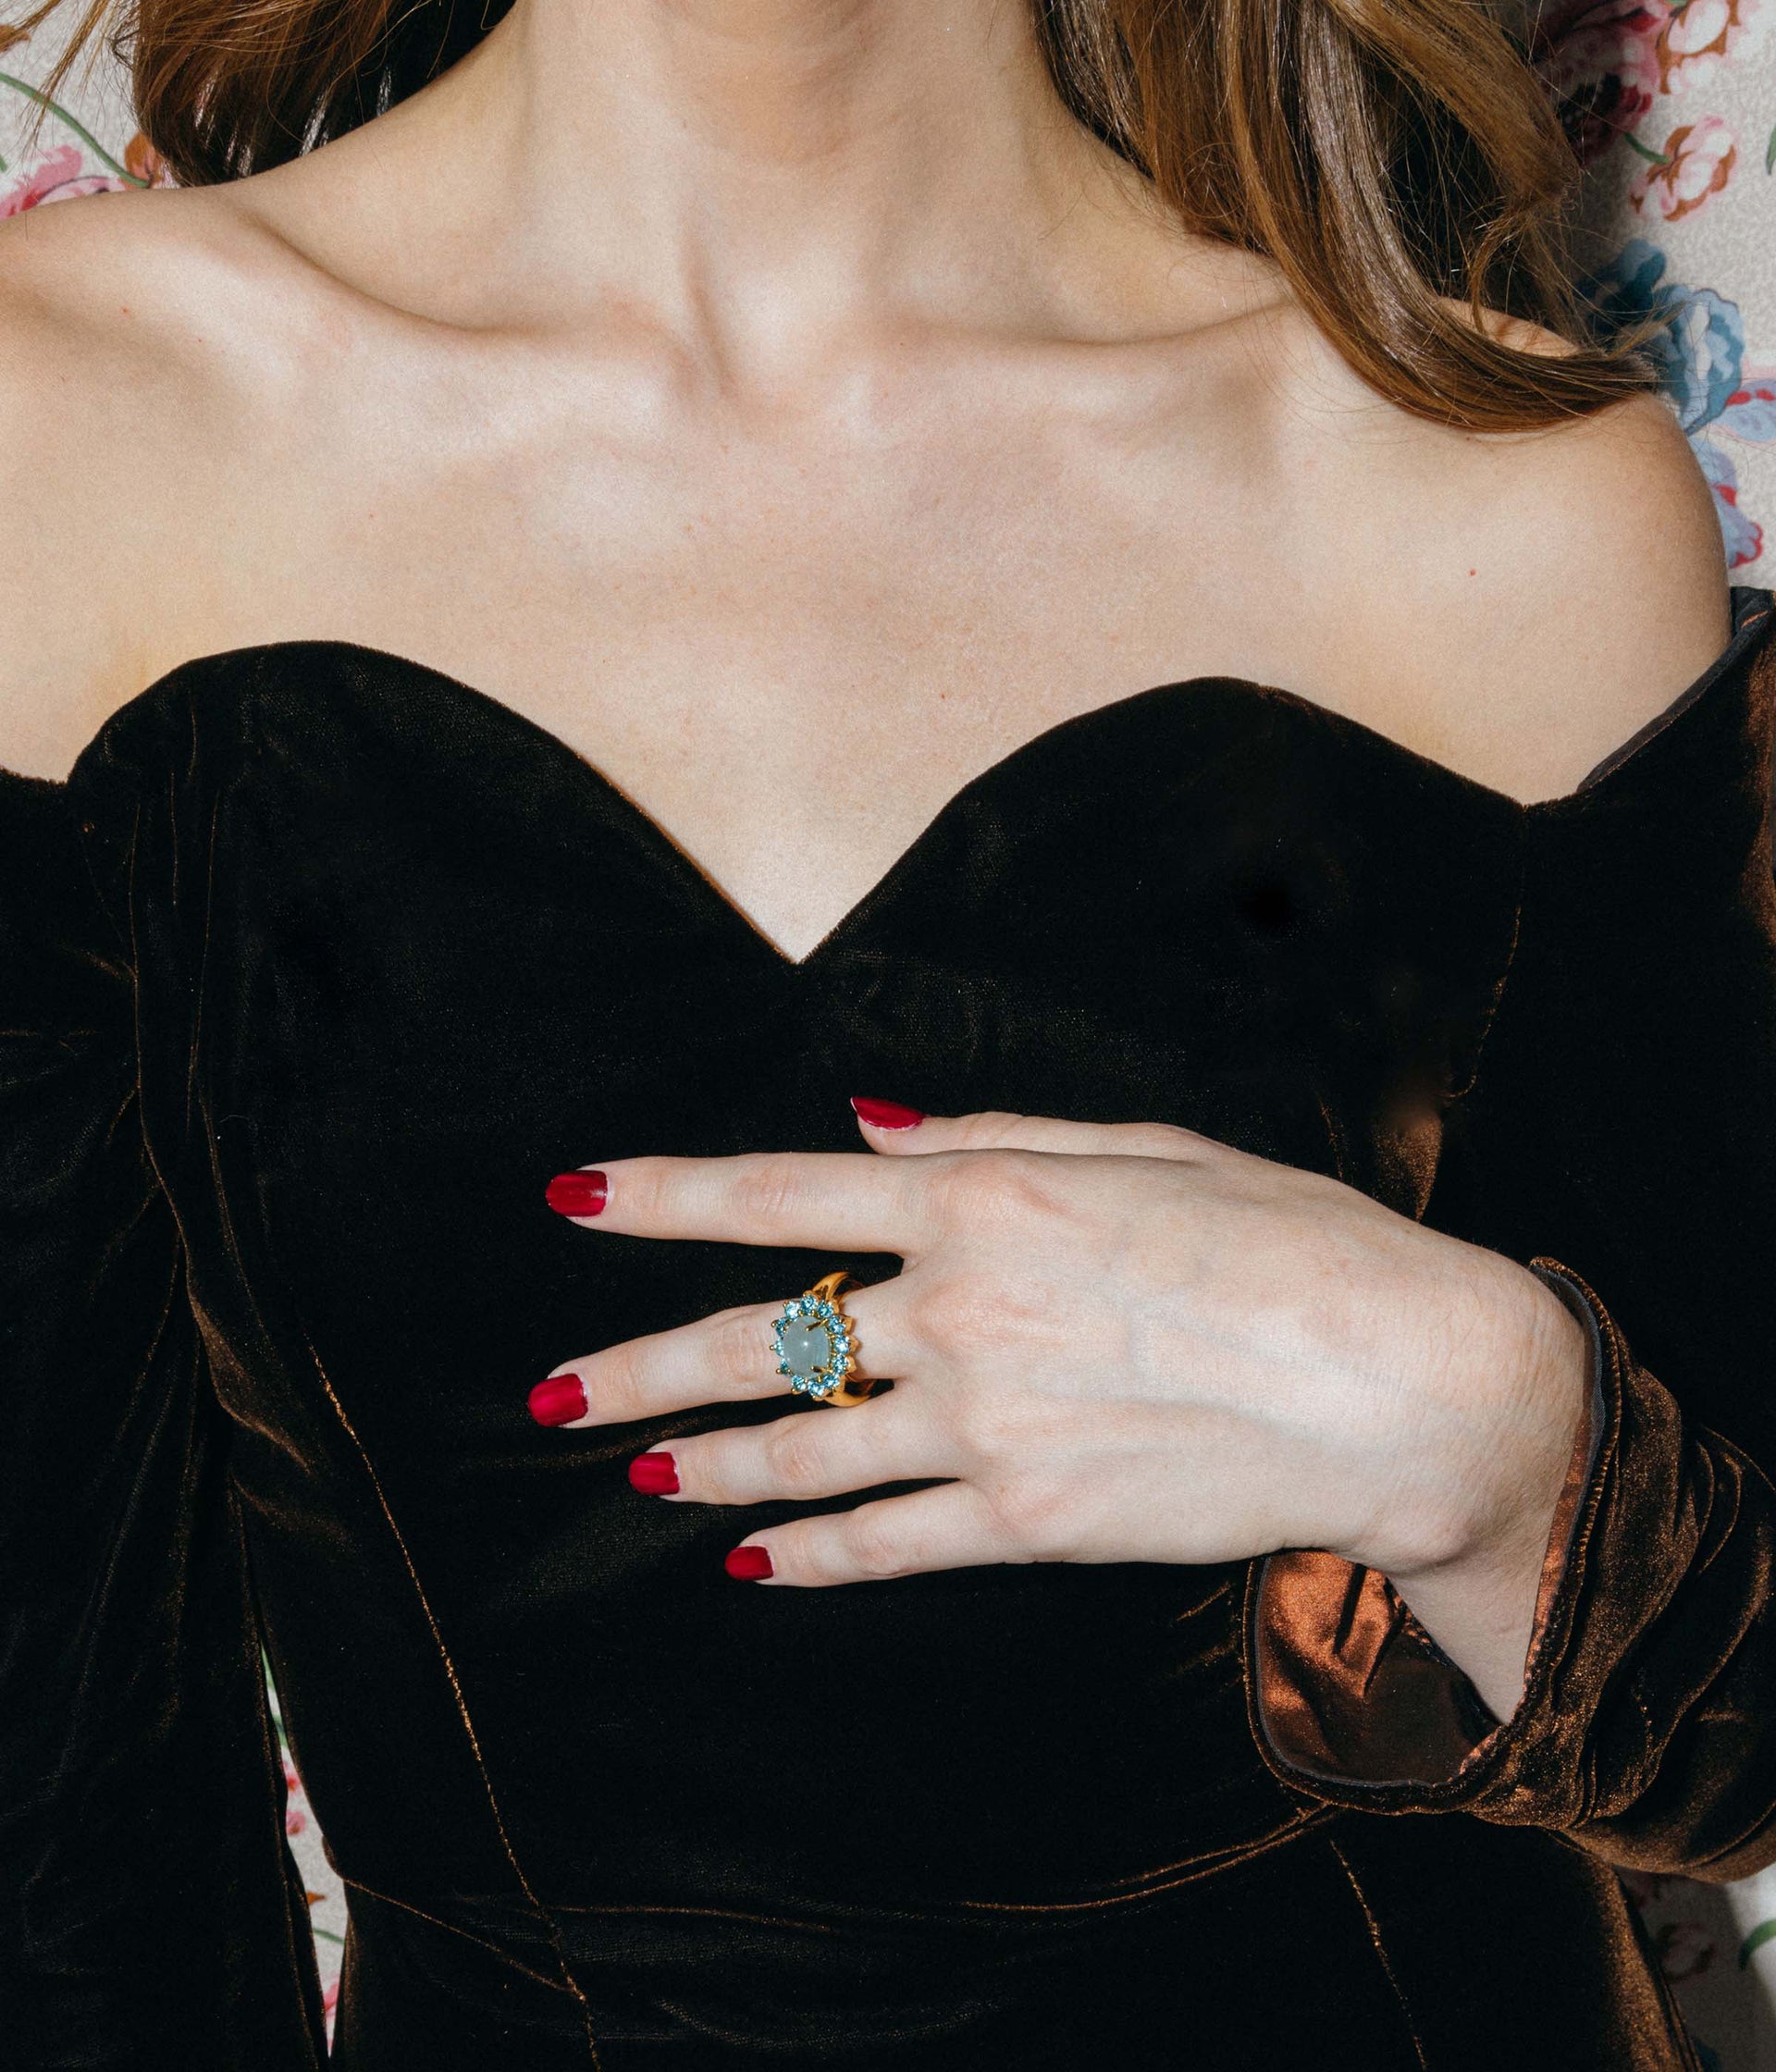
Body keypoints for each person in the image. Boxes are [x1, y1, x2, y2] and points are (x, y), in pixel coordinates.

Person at [1, 0, 1771, 2065]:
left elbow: (1735, 1736)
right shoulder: (72, 421)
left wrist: (1489, 1428)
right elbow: (60, 1828)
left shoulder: (1494, 489)